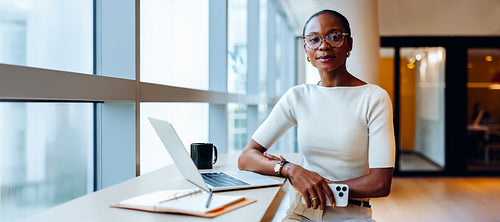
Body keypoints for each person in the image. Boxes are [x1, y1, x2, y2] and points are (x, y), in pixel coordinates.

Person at [238, 9, 395, 221]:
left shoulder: (374, 98)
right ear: (306, 49)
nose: (323, 46)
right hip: (302, 211)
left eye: (334, 37)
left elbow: (380, 184)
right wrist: (291, 170)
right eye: (314, 39)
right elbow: (247, 157)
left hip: (350, 212)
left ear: (349, 44)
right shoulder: (297, 96)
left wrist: (315, 186)